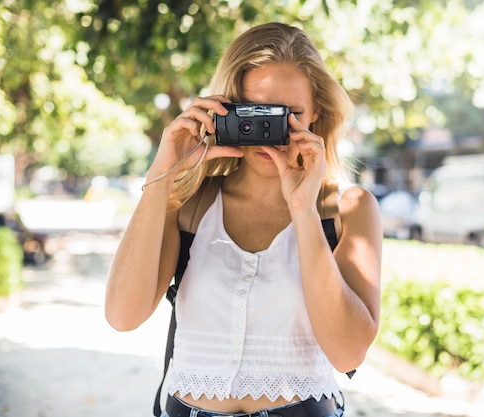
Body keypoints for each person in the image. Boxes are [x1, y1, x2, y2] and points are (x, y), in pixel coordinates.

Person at [105, 22, 382, 417]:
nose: (268, 135)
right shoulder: (187, 205)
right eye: (253, 114)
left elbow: (348, 352)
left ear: (317, 110)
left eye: (287, 116)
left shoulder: (348, 210)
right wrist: (163, 175)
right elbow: (122, 316)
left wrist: (303, 208)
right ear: (224, 110)